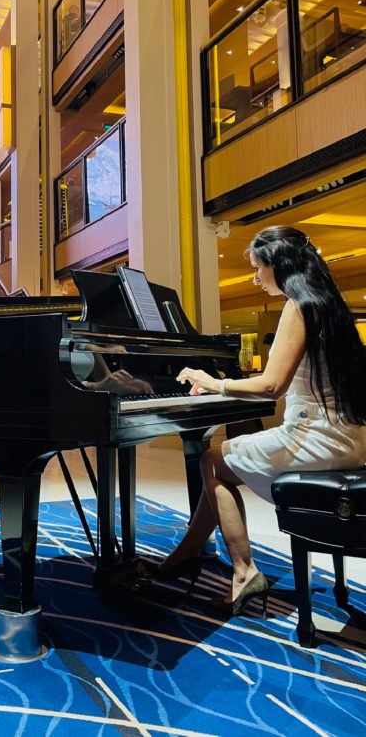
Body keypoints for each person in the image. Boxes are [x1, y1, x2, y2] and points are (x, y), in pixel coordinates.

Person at [144, 225, 366, 616]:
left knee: (212, 461)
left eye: (257, 268)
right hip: (349, 439)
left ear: (278, 266)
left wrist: (215, 383)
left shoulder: (299, 305)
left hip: (320, 440)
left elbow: (272, 386)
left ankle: (243, 572)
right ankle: (187, 553)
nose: (254, 277)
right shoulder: (327, 302)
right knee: (219, 459)